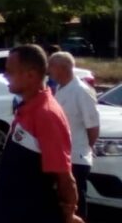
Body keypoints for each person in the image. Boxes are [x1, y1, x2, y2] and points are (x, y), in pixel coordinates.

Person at [0, 45, 83, 223]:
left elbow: (64, 176)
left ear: (30, 75)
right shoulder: (27, 107)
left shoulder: (46, 115)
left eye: (10, 71)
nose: (5, 75)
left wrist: (69, 213)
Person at [49, 52, 100, 220]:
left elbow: (93, 127)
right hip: (62, 156)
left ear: (62, 69)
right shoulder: (61, 88)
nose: (49, 70)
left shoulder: (81, 91)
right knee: (62, 202)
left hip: (77, 157)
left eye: (52, 66)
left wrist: (85, 148)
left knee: (75, 203)